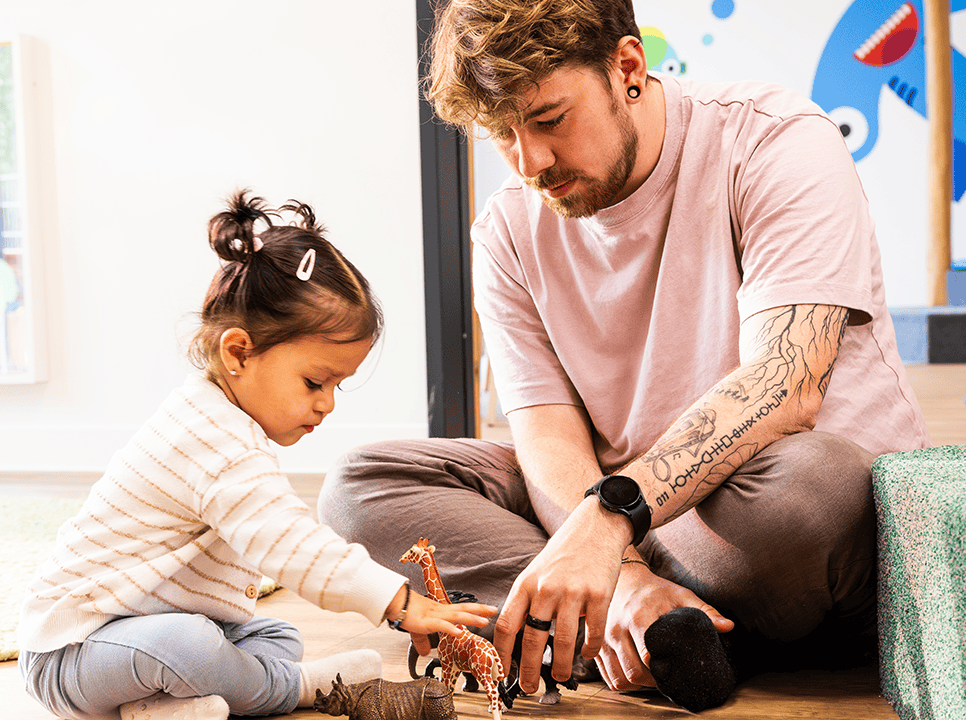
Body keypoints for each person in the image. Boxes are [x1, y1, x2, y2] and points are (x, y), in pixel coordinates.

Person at [317, 0, 931, 712]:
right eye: (501, 134)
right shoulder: (510, 229)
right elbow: (547, 431)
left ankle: (586, 626)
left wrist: (611, 522)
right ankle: (648, 619)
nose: (531, 162)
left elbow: (786, 384)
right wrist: (626, 570)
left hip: (761, 516)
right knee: (360, 490)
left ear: (628, 69)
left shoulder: (776, 140)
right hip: (629, 517)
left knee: (818, 488)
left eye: (549, 120)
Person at [17, 191, 497, 720]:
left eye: (339, 386)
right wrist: (399, 604)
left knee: (272, 631)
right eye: (316, 381)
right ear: (239, 352)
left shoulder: (223, 423)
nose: (327, 403)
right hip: (71, 654)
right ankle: (296, 689)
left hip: (145, 632)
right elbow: (289, 545)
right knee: (190, 642)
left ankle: (160, 707)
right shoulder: (208, 440)